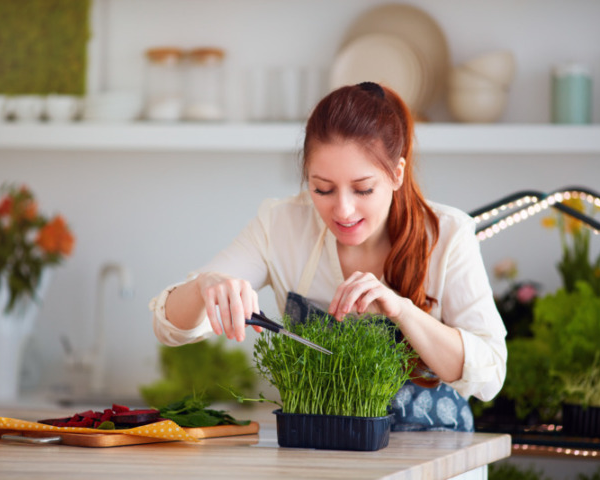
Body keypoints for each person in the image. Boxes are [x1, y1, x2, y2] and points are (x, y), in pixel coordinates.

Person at [150, 82, 507, 432]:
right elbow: (169, 328)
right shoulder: (281, 225)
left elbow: (491, 374)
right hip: (319, 456)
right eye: (322, 189)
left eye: (363, 188)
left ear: (397, 174)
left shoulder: (447, 234)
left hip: (437, 460)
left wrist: (403, 311)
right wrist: (204, 286)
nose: (343, 209)